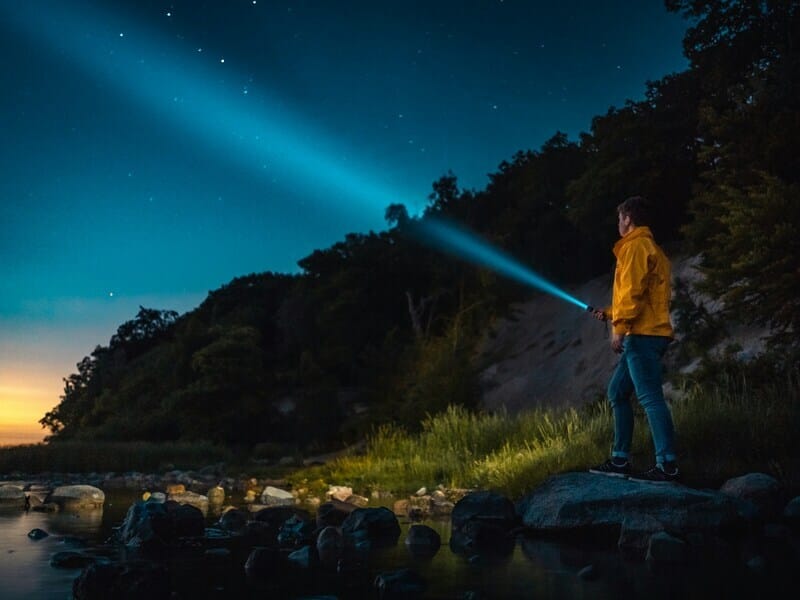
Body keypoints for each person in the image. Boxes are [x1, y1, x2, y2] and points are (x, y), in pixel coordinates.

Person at [589, 196, 679, 483]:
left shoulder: (636, 246)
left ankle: (667, 465)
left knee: (650, 397)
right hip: (646, 332)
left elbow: (632, 292)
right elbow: (643, 295)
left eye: (619, 218)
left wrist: (619, 327)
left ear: (628, 218)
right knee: (617, 392)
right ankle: (620, 460)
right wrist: (610, 313)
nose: (618, 223)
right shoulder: (652, 249)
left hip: (642, 336)